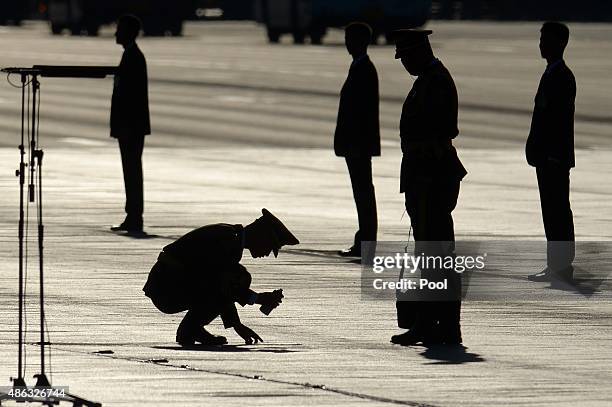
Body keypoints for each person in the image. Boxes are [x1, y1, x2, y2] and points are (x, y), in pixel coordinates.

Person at [389, 29, 467, 346]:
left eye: (407, 56)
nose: (405, 63)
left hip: (431, 177)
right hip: (423, 176)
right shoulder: (427, 80)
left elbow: (443, 129)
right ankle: (429, 321)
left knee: (437, 255)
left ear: (420, 51)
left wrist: (421, 172)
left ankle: (443, 325)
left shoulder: (435, 81)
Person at [143, 209, 299, 346]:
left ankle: (192, 329)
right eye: (270, 247)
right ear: (262, 236)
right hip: (166, 290)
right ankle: (190, 330)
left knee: (235, 277)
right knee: (239, 277)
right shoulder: (227, 241)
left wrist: (242, 316)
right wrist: (256, 300)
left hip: (168, 284)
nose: (267, 253)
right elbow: (220, 284)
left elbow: (221, 285)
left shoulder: (231, 237)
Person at [526, 22, 576, 283]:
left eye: (546, 40)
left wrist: (553, 155)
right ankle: (555, 265)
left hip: (554, 158)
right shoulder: (551, 73)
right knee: (551, 211)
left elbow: (558, 122)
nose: (541, 45)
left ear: (560, 43)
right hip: (546, 157)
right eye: (541, 39)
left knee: (558, 211)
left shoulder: (562, 76)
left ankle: (562, 266)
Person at [334, 22, 380, 258]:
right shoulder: (359, 67)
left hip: (358, 145)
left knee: (363, 193)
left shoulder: (364, 69)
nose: (346, 43)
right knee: (362, 192)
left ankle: (366, 242)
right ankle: (364, 239)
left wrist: (354, 144)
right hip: (357, 144)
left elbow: (362, 113)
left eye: (350, 38)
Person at [110, 15, 150, 234]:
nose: (116, 33)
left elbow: (131, 97)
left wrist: (124, 126)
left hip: (131, 127)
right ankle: (132, 215)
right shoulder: (131, 55)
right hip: (130, 126)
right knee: (131, 171)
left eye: (119, 29)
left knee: (132, 171)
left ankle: (135, 216)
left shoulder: (133, 56)